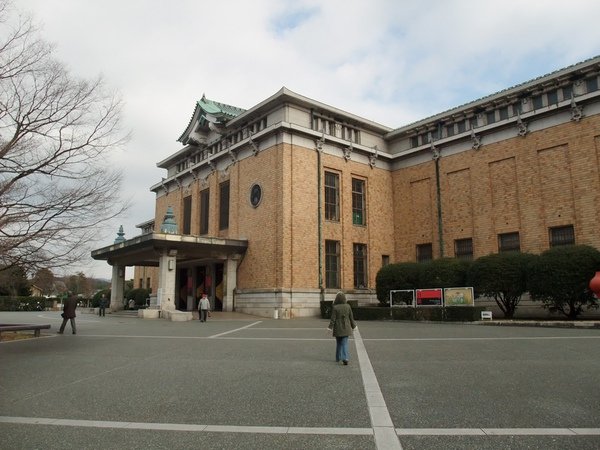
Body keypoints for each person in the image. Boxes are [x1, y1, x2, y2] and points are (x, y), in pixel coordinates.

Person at [328, 291, 356, 365]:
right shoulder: (348, 306)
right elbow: (351, 318)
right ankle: (345, 358)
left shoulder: (335, 307)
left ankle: (338, 357)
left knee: (338, 343)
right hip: (346, 327)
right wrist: (354, 326)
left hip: (337, 327)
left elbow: (332, 319)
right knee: (345, 343)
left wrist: (330, 327)